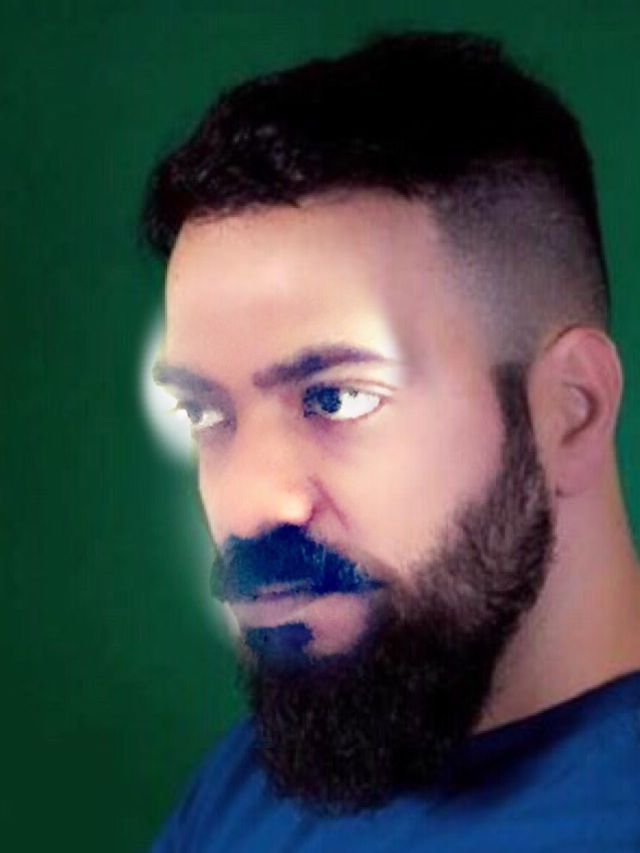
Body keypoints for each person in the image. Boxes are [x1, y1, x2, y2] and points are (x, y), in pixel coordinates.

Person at [142, 31, 640, 851]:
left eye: (337, 398)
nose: (251, 505)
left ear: (571, 411)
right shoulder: (250, 787)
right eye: (206, 413)